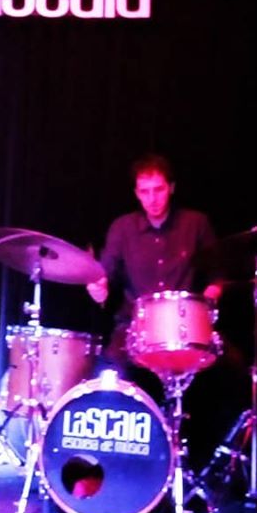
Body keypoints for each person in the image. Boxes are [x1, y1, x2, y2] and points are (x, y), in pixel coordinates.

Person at [86, 153, 220, 378]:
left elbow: (218, 271)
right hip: (134, 326)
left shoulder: (196, 223)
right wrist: (98, 289)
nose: (152, 199)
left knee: (230, 367)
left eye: (158, 190)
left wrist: (210, 298)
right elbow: (104, 274)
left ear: (171, 188)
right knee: (108, 372)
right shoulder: (122, 227)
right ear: (136, 193)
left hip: (185, 327)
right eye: (145, 192)